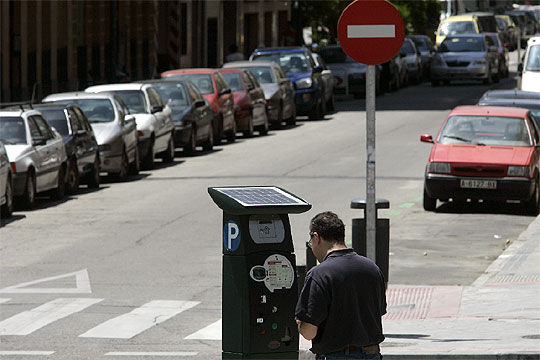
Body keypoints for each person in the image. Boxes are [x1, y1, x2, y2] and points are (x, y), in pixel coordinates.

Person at [295, 211, 387, 359]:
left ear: (316, 237)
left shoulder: (319, 274)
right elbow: (379, 312)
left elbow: (308, 332)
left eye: (310, 242)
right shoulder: (372, 268)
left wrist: (300, 322)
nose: (311, 247)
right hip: (372, 354)